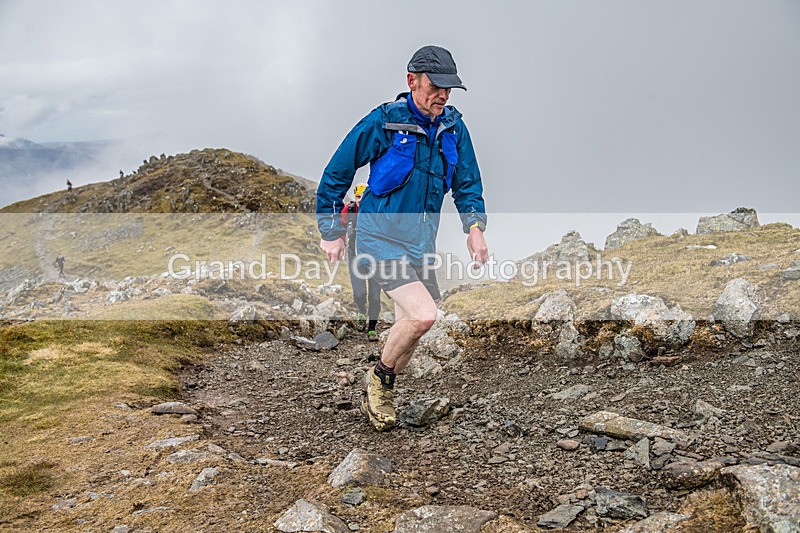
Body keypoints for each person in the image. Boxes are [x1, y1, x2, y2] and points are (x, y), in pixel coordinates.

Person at [316, 45, 488, 431]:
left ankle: (382, 387)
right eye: (435, 86)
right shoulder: (385, 121)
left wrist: (474, 228)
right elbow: (337, 172)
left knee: (408, 329)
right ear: (412, 80)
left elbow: (467, 184)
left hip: (419, 244)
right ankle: (378, 381)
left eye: (448, 89)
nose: (443, 95)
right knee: (424, 315)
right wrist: (331, 231)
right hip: (377, 238)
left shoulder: (454, 128)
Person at [341, 183, 381, 341]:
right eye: (358, 197)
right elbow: (340, 226)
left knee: (375, 297)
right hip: (354, 256)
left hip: (375, 257)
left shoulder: (377, 210)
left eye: (364, 197)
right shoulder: (349, 210)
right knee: (360, 293)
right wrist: (340, 243)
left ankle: (372, 328)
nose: (361, 200)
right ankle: (362, 311)